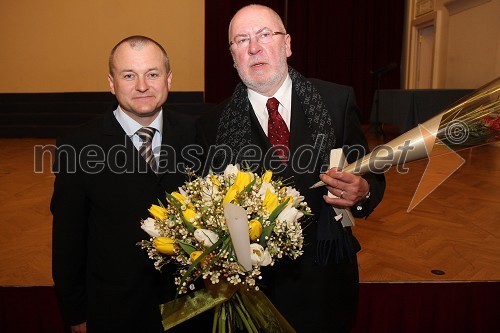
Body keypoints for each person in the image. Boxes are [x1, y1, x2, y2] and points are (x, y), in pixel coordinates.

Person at [196, 5, 386, 332]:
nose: (253, 47)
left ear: (287, 44)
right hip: (253, 293)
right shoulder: (211, 124)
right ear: (232, 56)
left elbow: (372, 177)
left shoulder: (336, 101)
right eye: (241, 41)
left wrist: (362, 192)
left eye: (264, 35)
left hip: (324, 283)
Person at [51, 35, 196, 333]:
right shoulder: (77, 146)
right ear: (111, 82)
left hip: (190, 307)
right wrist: (75, 311)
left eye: (152, 74)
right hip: (114, 311)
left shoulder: (195, 133)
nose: (142, 85)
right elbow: (68, 239)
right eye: (129, 75)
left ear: (168, 79)